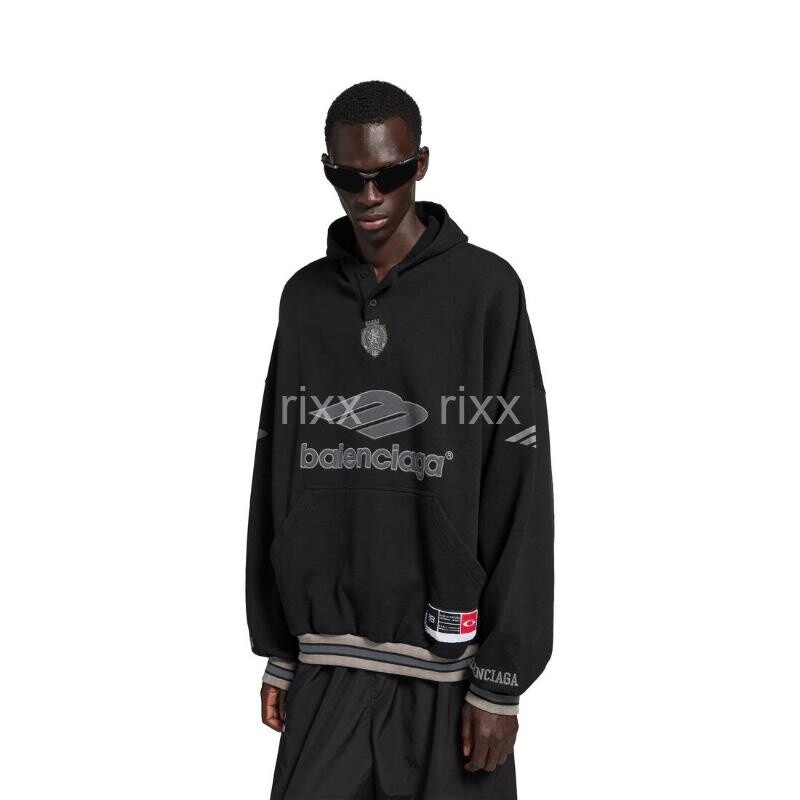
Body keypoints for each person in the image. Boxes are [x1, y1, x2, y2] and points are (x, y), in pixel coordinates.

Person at [245, 79, 554, 800]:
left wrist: (501, 679)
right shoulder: (305, 300)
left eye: (388, 174)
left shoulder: (487, 292)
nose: (369, 195)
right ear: (327, 168)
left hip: (451, 672)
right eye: (349, 178)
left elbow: (520, 491)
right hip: (327, 664)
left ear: (421, 164)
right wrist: (279, 648)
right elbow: (275, 473)